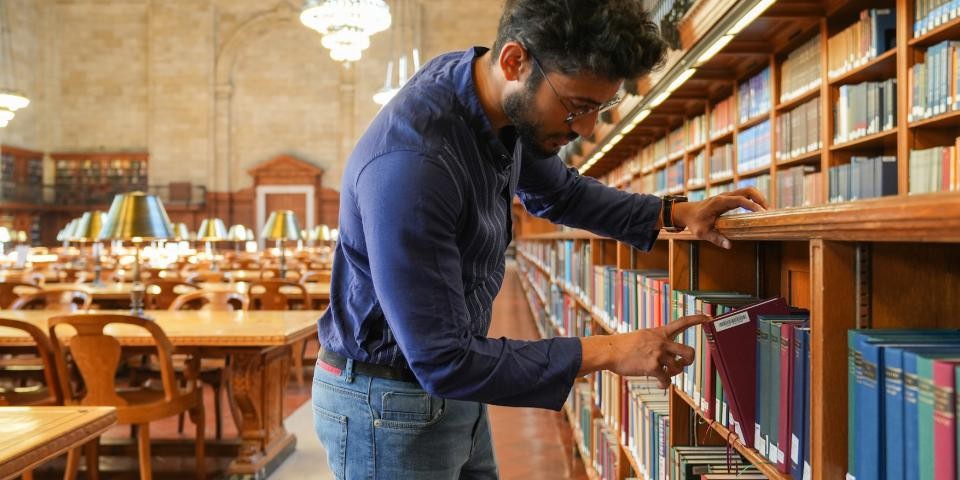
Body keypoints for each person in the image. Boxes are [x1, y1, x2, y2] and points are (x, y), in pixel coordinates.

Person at [312, 0, 768, 478]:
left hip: (448, 383)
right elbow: (442, 359)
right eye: (577, 107)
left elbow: (561, 193)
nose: (586, 129)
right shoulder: (414, 166)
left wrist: (673, 212)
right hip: (387, 404)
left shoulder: (492, 103)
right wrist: (610, 350)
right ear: (514, 62)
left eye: (600, 107)